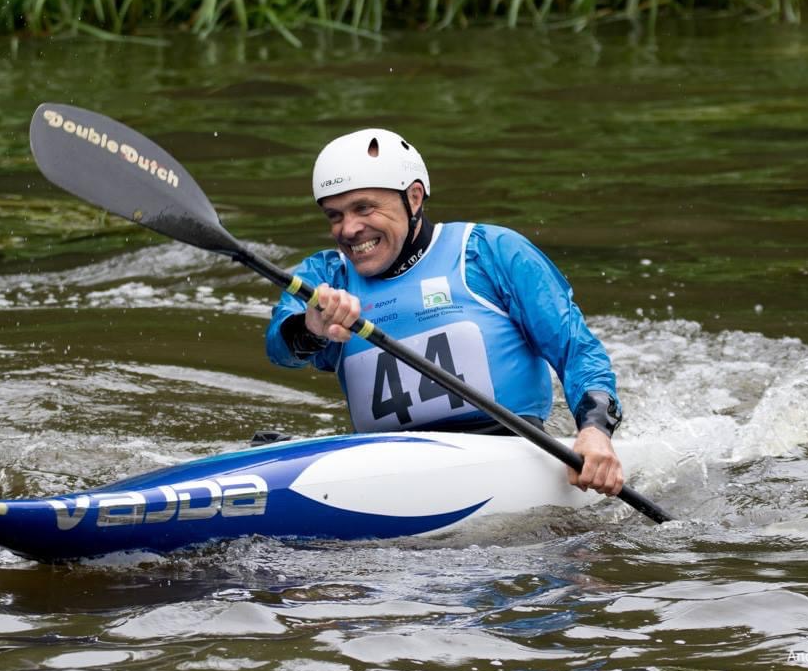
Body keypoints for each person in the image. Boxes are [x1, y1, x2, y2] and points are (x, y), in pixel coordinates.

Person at [265, 128, 625, 496]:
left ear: (414, 197)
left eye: (364, 208)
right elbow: (279, 349)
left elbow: (576, 350)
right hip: (381, 467)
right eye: (334, 215)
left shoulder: (490, 252)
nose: (349, 229)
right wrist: (310, 328)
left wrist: (594, 431)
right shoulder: (327, 277)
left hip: (505, 450)